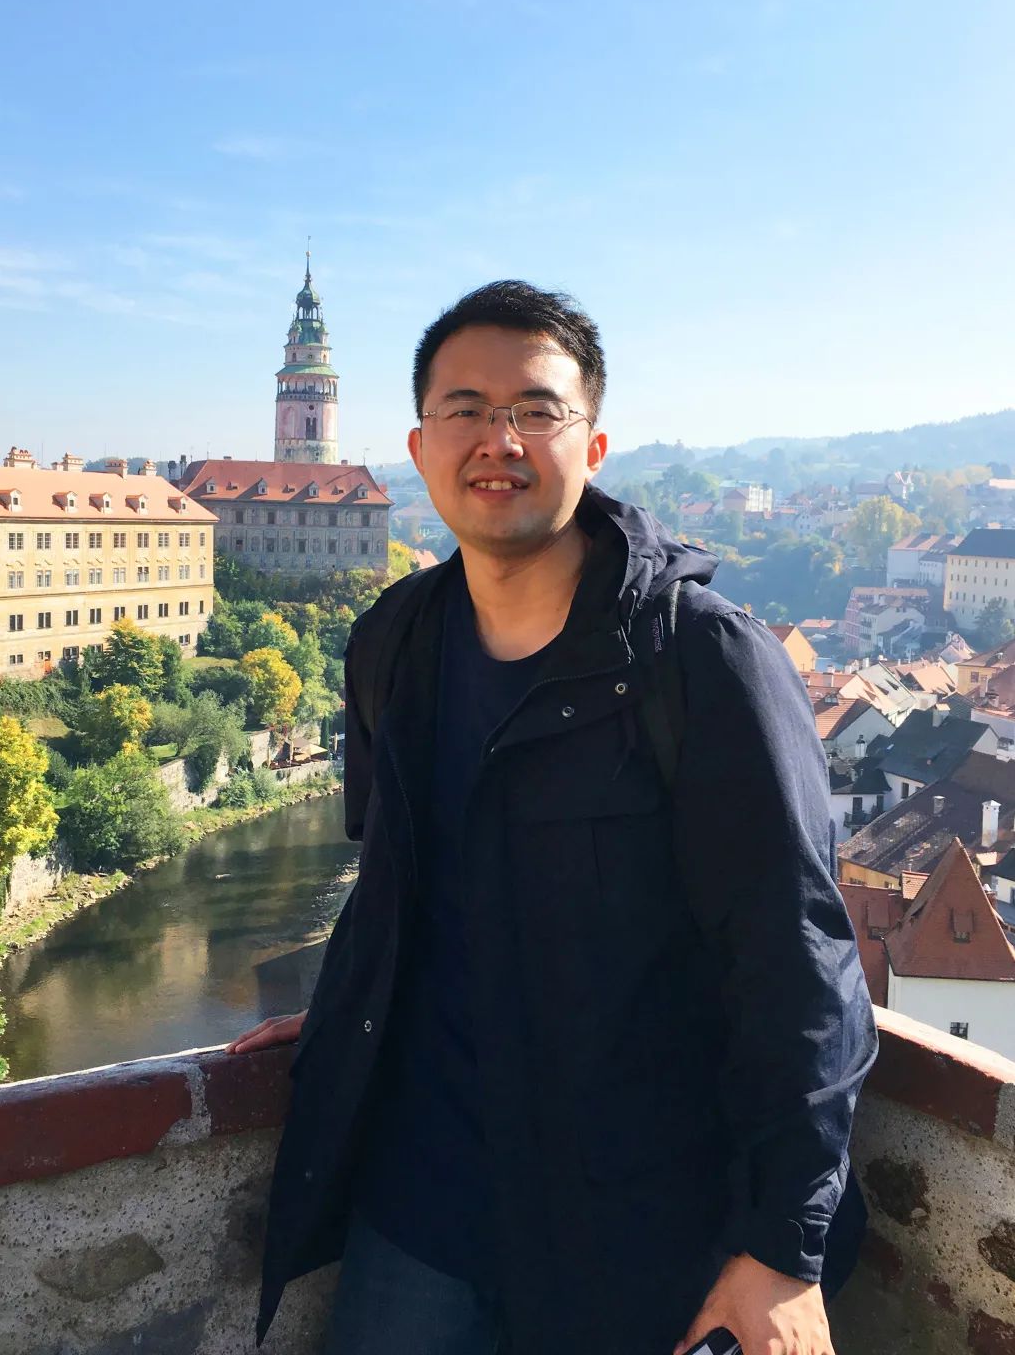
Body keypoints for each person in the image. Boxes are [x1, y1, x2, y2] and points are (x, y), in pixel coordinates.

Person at [229, 280, 879, 1355]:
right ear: (420, 446)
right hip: (424, 1209)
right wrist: (348, 1009)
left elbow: (800, 966)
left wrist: (782, 1246)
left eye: (536, 410)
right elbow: (394, 885)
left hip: (639, 1226)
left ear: (595, 444)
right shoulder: (392, 643)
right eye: (466, 410)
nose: (500, 440)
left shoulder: (701, 660)